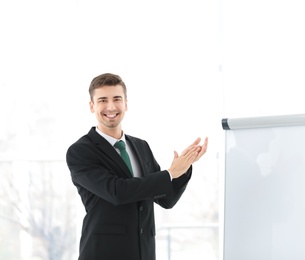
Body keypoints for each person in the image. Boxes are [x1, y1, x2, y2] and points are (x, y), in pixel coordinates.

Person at [66, 73, 208, 260]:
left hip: (144, 252)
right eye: (102, 100)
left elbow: (166, 199)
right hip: (104, 253)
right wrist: (170, 173)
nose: (111, 106)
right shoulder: (81, 151)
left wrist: (183, 168)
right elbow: (117, 192)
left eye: (117, 99)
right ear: (92, 106)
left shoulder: (141, 146)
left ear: (126, 103)